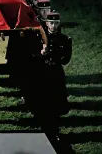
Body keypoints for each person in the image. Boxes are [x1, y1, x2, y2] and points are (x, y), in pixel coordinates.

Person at [29, 12, 71, 142]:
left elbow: (65, 59)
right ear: (46, 23)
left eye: (56, 23)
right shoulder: (39, 38)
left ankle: (55, 131)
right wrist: (41, 54)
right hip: (42, 74)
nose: (53, 26)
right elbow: (31, 56)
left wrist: (55, 55)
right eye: (51, 23)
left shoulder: (64, 39)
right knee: (43, 103)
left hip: (56, 74)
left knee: (56, 104)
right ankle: (45, 130)